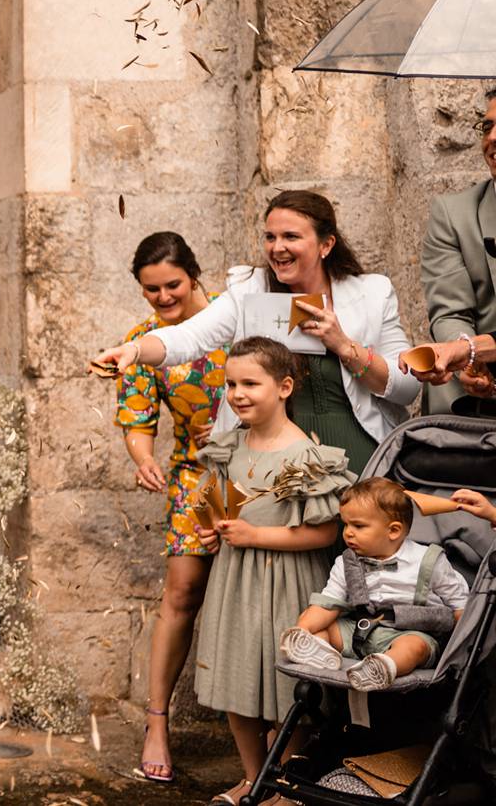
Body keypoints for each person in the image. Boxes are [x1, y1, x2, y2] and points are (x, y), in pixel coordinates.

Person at [92, 190, 418, 476]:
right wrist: (133, 351)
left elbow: (406, 387)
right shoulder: (250, 289)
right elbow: (189, 337)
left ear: (326, 244)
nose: (277, 248)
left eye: (290, 237)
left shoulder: (373, 294)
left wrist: (345, 346)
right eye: (270, 237)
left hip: (358, 458)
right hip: (272, 464)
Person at [192, 337, 353, 806]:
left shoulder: (304, 456)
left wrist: (254, 536)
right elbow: (219, 510)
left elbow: (324, 534)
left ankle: (283, 781)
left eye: (250, 383)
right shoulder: (229, 447)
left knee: (289, 686)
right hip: (236, 580)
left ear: (284, 387)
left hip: (288, 581)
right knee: (236, 677)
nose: (238, 393)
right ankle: (251, 777)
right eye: (231, 384)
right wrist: (213, 534)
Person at [111, 232, 226, 784]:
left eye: (171, 285)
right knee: (181, 590)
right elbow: (137, 420)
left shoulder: (233, 318)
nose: (161, 297)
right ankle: (157, 723)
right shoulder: (142, 340)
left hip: (265, 473)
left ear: (194, 274)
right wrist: (142, 458)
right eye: (150, 289)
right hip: (197, 478)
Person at [282, 478, 468, 690]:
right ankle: (316, 650)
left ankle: (385, 666)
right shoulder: (346, 562)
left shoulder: (429, 561)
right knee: (320, 624)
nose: (348, 532)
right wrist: (303, 630)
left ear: (393, 531)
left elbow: (460, 606)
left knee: (413, 648)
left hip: (409, 632)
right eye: (346, 524)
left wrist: (460, 653)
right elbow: (327, 604)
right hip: (358, 630)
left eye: (358, 526)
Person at [418, 87, 496, 414]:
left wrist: (470, 349)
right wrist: (467, 361)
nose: (493, 137)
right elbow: (450, 311)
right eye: (487, 126)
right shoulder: (454, 213)